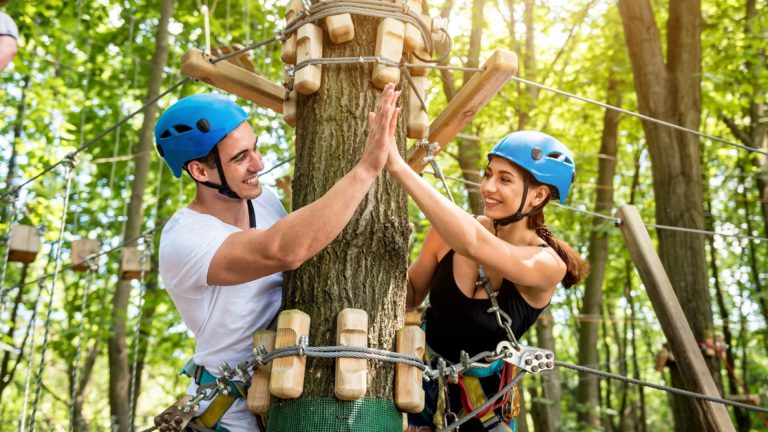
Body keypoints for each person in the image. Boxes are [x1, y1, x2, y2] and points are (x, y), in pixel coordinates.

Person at [155, 84, 401, 432]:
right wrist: (366, 169)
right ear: (200, 171)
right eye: (240, 158)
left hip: (283, 394)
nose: (258, 163)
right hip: (230, 416)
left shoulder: (263, 200)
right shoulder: (184, 238)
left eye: (254, 148)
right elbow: (284, 250)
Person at [386, 130, 588, 431]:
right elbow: (412, 295)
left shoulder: (547, 264)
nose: (488, 187)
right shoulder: (449, 234)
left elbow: (475, 244)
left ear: (538, 195)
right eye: (488, 174)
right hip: (416, 389)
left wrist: (398, 167)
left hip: (482, 411)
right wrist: (389, 255)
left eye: (505, 180)